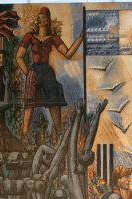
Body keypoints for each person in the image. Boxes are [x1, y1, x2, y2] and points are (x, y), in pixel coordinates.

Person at [15, 7, 84, 138]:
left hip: (47, 72)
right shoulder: (29, 36)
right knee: (29, 105)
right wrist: (28, 72)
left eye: (44, 18)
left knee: (54, 103)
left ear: (48, 21)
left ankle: (59, 136)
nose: (41, 20)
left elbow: (68, 53)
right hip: (34, 71)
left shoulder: (53, 38)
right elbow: (19, 57)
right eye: (39, 18)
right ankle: (23, 136)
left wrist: (80, 38)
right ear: (36, 21)